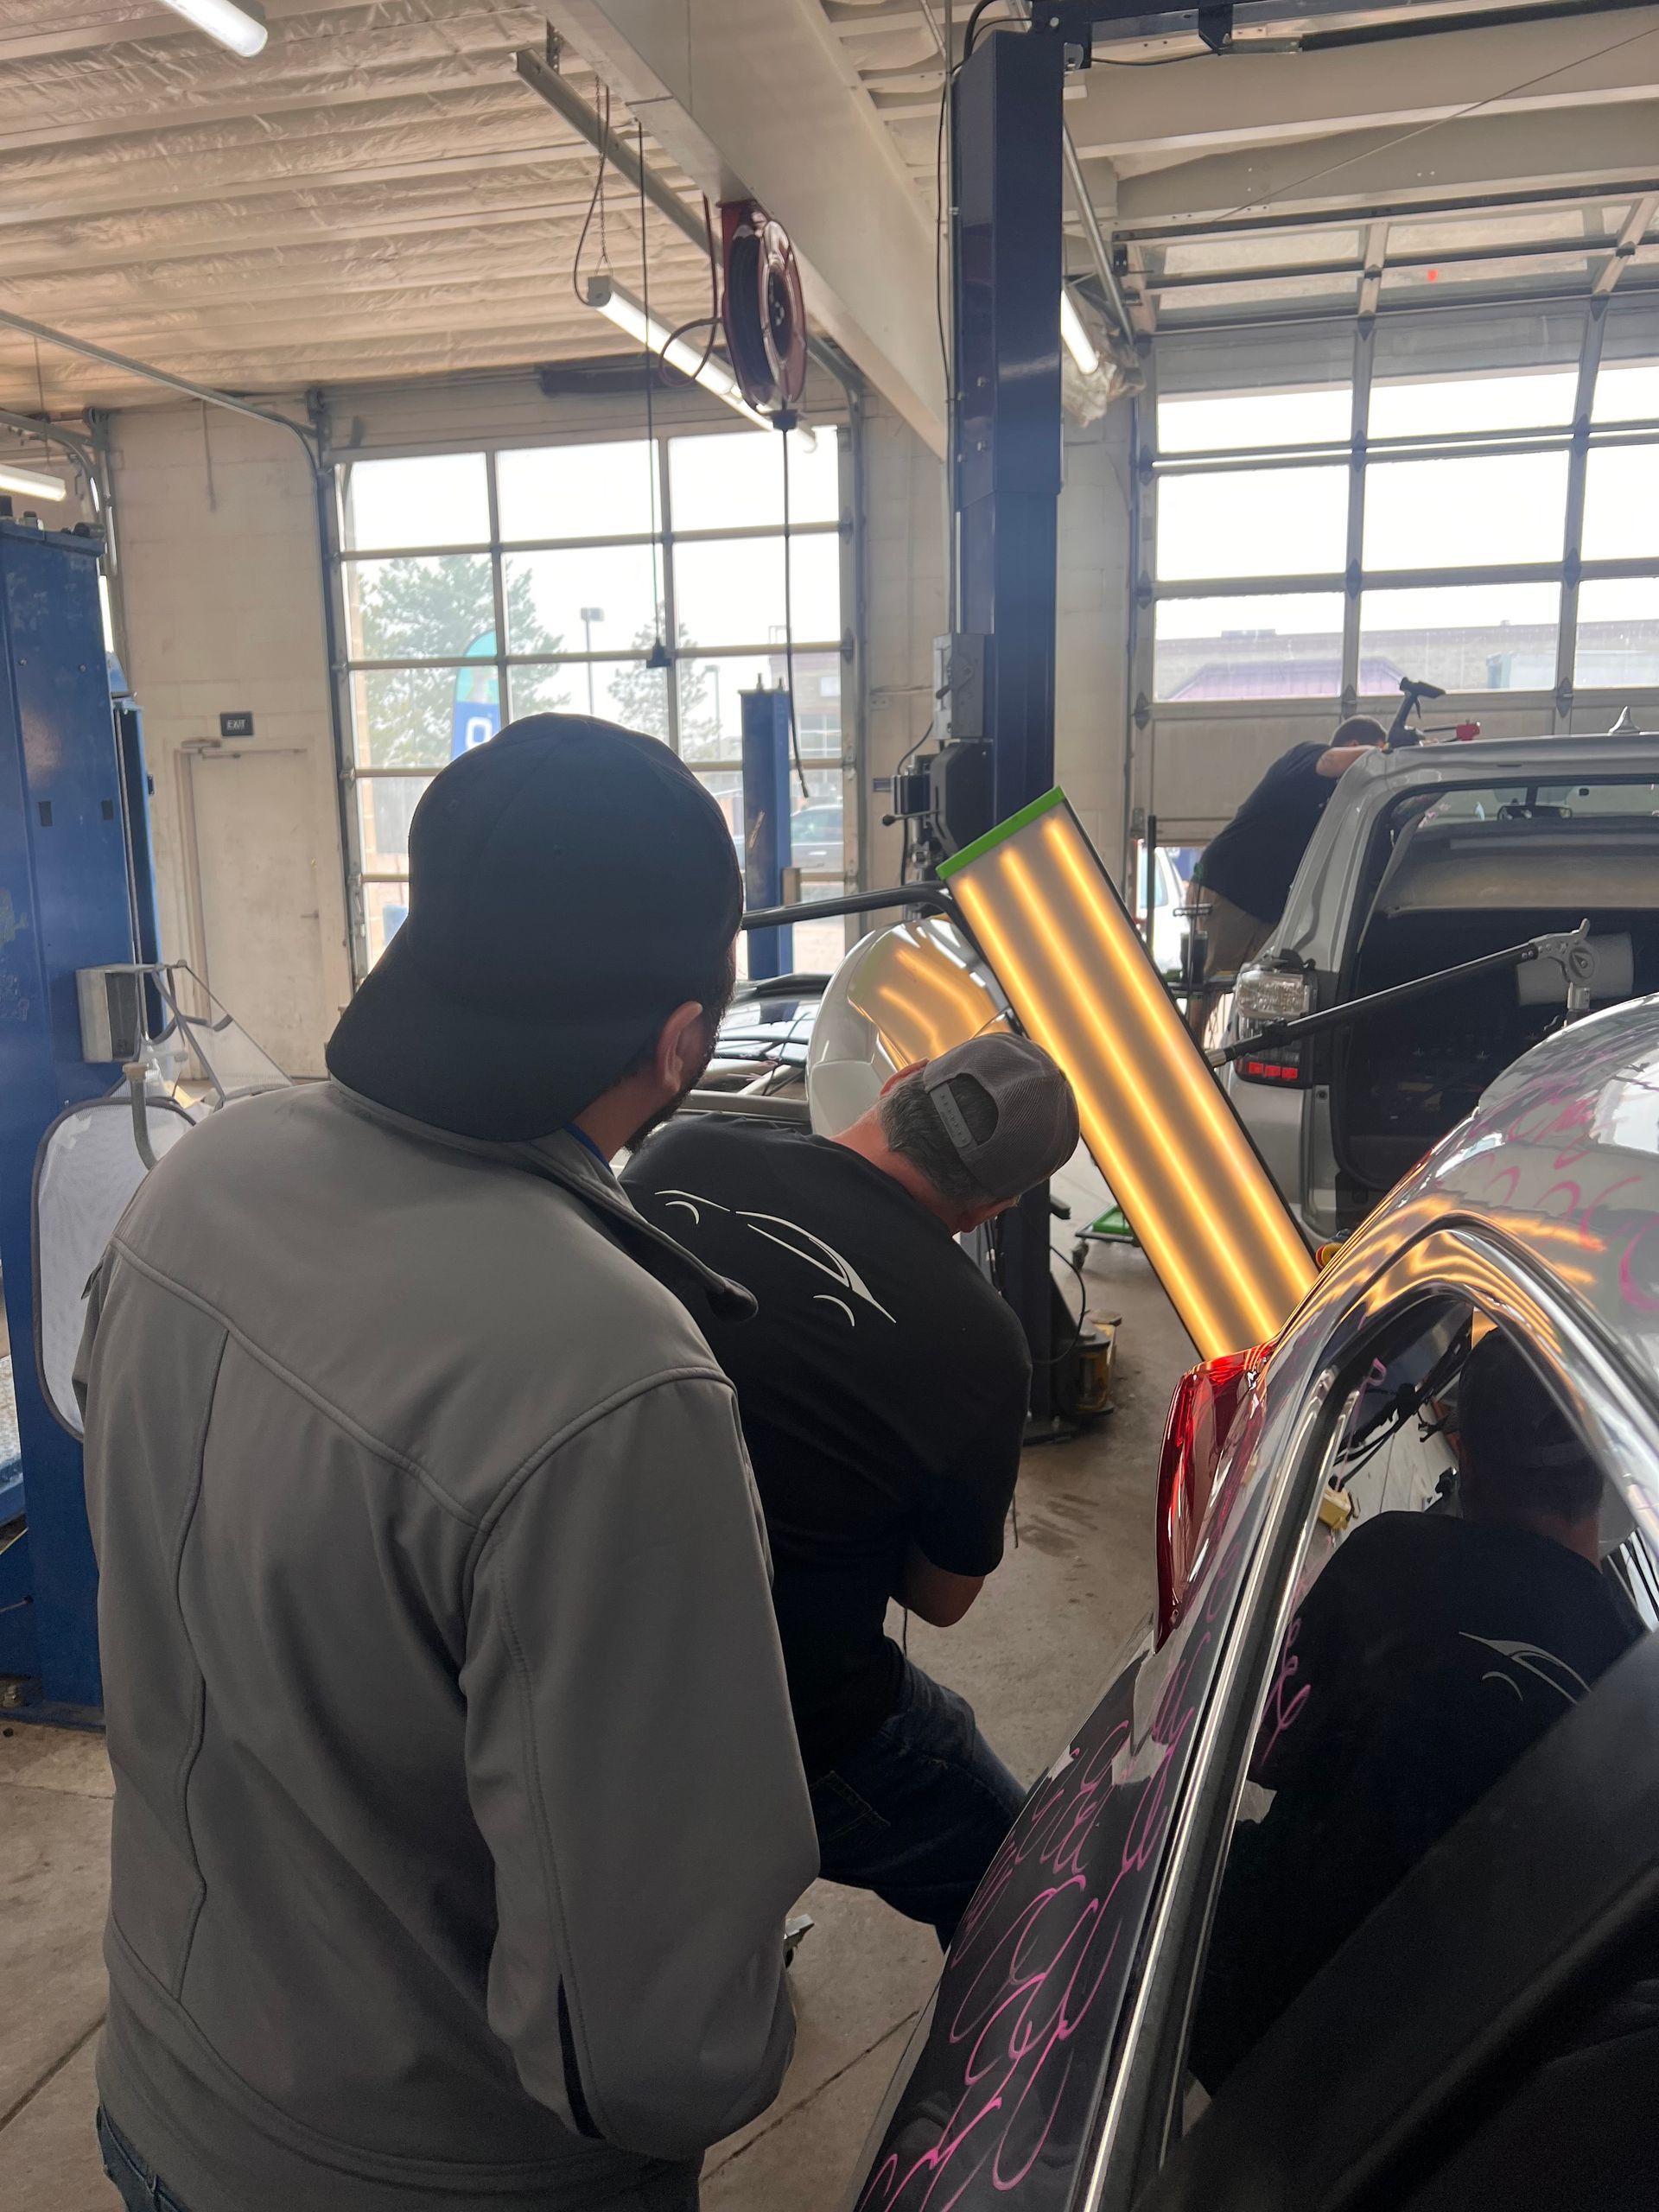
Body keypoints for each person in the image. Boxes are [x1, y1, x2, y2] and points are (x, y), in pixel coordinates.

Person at [75, 716, 818, 2212]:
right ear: (682, 1043)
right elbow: (655, 2050)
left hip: (164, 2078)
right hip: (430, 2169)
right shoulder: (611, 1378)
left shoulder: (203, 1177)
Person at [623, 1033, 1081, 1947]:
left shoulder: (682, 1152)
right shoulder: (984, 1344)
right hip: (783, 1722)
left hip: (574, 1645)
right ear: (997, 1203)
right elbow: (942, 1599)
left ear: (899, 1081)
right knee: (1037, 1893)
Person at [1189, 1328, 1641, 2090]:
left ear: (1461, 1447)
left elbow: (1270, 1751)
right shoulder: (1634, 1674)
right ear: (1609, 1467)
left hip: (1253, 2000)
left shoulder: (1385, 1553)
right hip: (1442, 2084)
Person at [1185, 715, 1387, 1034]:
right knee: (1210, 984)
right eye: (1375, 753)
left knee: (1258, 987)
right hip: (1229, 888)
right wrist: (1389, 754)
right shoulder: (1306, 757)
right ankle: (1185, 1059)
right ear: (1354, 746)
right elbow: (1332, 760)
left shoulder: (1340, 798)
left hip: (1266, 902)